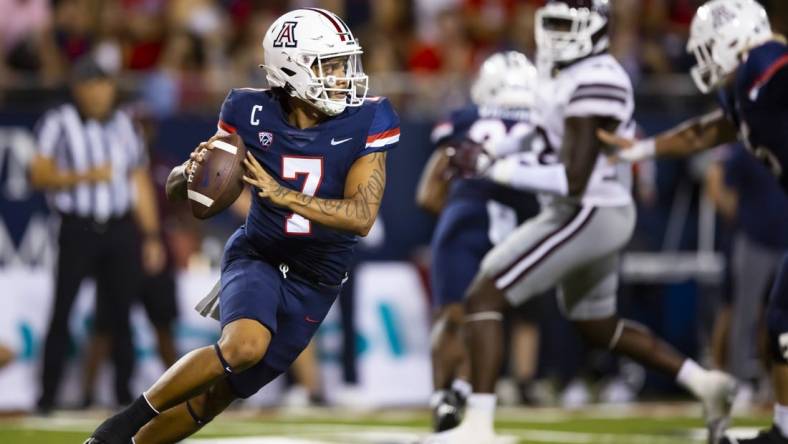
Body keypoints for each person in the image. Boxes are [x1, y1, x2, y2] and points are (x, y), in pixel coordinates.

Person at [427, 1, 737, 443]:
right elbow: (539, 130)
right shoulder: (567, 72)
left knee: (483, 297)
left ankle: (478, 426)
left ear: (595, 29)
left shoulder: (599, 79)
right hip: (588, 208)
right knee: (597, 325)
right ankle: (707, 383)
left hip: (589, 208)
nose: (555, 35)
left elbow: (572, 179)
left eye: (565, 26)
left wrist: (494, 169)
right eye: (550, 23)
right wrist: (497, 153)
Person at [84, 8, 398, 444]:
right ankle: (118, 428)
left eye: (343, 64)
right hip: (260, 254)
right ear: (291, 68)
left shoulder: (370, 118)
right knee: (242, 347)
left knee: (218, 397)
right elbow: (190, 193)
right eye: (328, 66)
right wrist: (187, 172)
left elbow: (361, 216)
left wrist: (282, 194)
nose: (343, 76)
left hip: (319, 276)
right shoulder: (248, 110)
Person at [599, 1, 788, 442]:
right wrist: (638, 150)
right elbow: (701, 133)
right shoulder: (745, 89)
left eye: (710, 45)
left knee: (781, 320)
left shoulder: (767, 65)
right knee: (779, 321)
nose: (703, 58)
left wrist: (773, 45)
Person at [30, 55, 165, 412]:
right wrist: (85, 176)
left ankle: (123, 395)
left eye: (103, 84)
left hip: (120, 228)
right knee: (63, 310)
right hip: (78, 228)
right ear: (78, 89)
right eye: (90, 85)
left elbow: (139, 182)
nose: (98, 93)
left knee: (122, 312)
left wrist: (150, 235)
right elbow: (38, 174)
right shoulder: (58, 122)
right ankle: (48, 396)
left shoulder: (125, 124)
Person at [416, 50, 542, 431]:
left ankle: (444, 399)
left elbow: (427, 193)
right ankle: (490, 392)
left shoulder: (466, 119)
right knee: (496, 317)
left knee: (452, 316)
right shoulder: (545, 119)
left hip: (468, 219)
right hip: (523, 223)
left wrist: (450, 216)